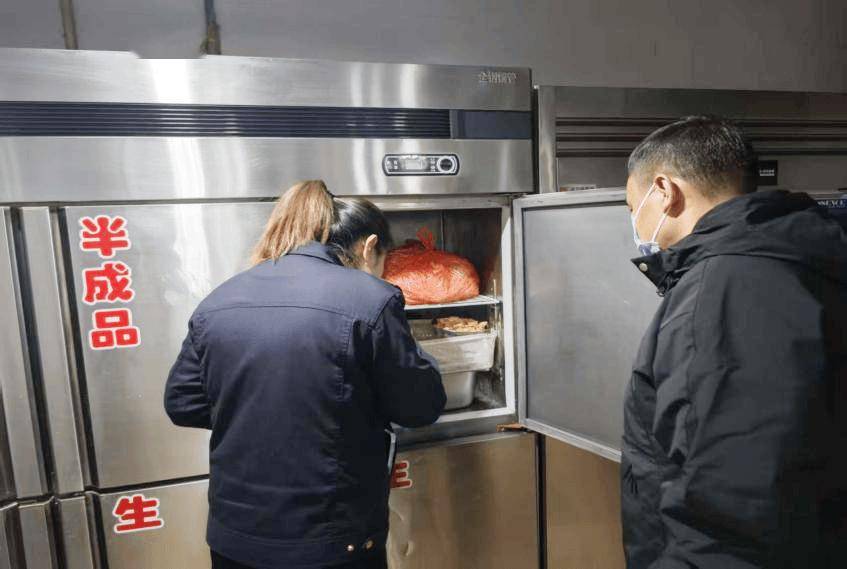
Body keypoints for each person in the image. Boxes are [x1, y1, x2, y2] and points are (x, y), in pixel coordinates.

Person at [164, 180, 446, 569]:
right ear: (369, 248)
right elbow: (420, 406)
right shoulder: (370, 299)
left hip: (235, 539)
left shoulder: (221, 298)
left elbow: (183, 402)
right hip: (331, 540)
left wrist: (259, 411)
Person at [622, 116, 847, 568]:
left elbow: (730, 510)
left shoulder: (726, 289)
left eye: (632, 207)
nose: (635, 223)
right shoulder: (799, 252)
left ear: (664, 191)